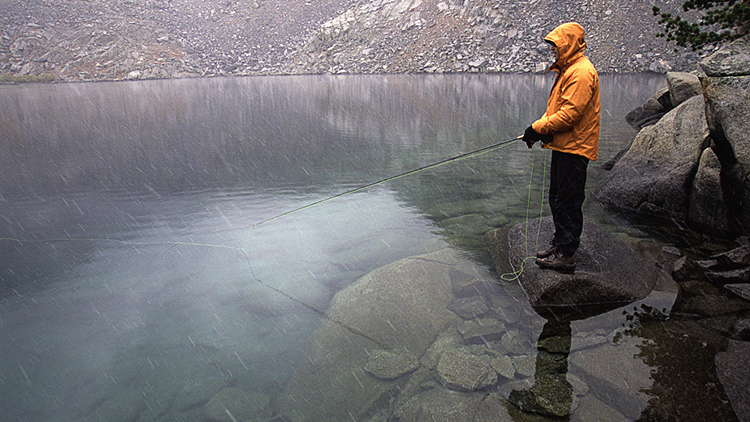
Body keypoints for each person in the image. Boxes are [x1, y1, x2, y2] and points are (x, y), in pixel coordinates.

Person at [522, 22, 600, 271]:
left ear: (567, 45)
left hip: (575, 148)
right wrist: (542, 133)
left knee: (567, 200)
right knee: (557, 197)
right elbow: (562, 113)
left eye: (556, 46)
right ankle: (560, 243)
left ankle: (566, 254)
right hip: (565, 145)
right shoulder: (571, 70)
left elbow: (569, 115)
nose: (553, 51)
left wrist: (537, 128)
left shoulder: (581, 72)